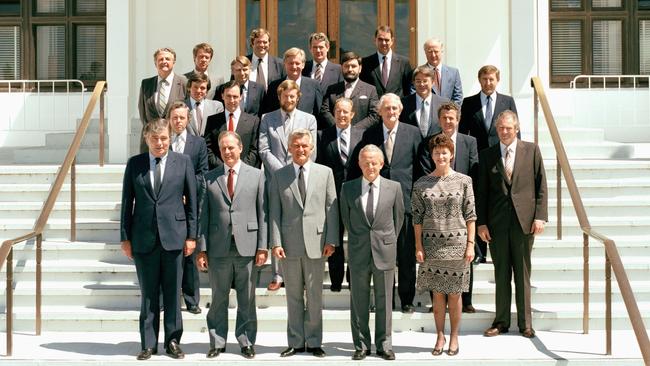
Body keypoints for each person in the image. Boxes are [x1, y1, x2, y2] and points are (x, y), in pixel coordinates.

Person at [120, 118, 197, 360]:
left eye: (164, 138)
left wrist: (192, 236)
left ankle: (173, 341)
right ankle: (148, 344)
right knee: (149, 294)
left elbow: (192, 202)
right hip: (143, 239)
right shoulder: (135, 164)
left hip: (174, 237)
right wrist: (125, 237)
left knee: (173, 293)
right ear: (146, 140)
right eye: (154, 139)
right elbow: (126, 204)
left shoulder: (182, 162)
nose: (160, 143)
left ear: (170, 138)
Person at [269, 129, 339, 358]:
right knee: (293, 295)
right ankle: (296, 341)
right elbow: (274, 213)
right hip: (289, 244)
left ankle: (315, 340)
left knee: (315, 294)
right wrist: (276, 242)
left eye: (304, 146)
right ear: (289, 148)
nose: (300, 149)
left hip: (318, 243)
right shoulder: (279, 176)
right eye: (296, 145)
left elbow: (332, 208)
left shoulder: (325, 173)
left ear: (312, 149)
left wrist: (331, 239)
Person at [197, 131, 267, 359]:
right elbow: (203, 216)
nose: (227, 152)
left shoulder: (256, 176)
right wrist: (202, 249)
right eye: (223, 148)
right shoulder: (210, 178)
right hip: (219, 247)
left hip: (248, 245)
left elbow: (263, 213)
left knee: (247, 297)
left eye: (231, 147)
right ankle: (217, 341)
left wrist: (262, 247)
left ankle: (246, 341)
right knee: (218, 297)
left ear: (240, 148)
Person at [477, 110, 547, 339]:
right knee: (501, 273)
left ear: (516, 128)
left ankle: (526, 323)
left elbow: (541, 186)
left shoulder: (532, 151)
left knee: (523, 273)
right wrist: (482, 223)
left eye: (508, 128)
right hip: (496, 225)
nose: (504, 132)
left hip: (524, 222)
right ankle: (501, 321)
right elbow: (482, 193)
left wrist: (540, 217)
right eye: (500, 128)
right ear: (496, 130)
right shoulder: (487, 155)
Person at [350, 93, 422, 313]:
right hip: (378, 202)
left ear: (400, 111)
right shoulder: (370, 134)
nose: (391, 112)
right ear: (379, 112)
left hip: (406, 201)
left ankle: (407, 299)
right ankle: (386, 299)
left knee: (406, 254)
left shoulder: (413, 133)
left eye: (394, 109)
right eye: (387, 109)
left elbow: (419, 168)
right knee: (383, 255)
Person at [412, 133, 476, 357]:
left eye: (445, 152)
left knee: (455, 294)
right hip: (431, 246)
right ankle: (440, 335)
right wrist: (418, 246)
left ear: (452, 154)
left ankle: (455, 336)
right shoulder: (421, 184)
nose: (441, 155)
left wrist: (470, 244)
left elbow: (471, 216)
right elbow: (416, 219)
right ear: (432, 155)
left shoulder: (464, 181)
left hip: (458, 245)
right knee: (437, 294)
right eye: (437, 152)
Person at [340, 144, 404, 361]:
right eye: (366, 162)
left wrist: (387, 241)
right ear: (359, 164)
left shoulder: (394, 188)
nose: (370, 166)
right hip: (359, 251)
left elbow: (399, 220)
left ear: (381, 164)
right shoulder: (348, 188)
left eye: (374, 162)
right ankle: (361, 345)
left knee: (385, 299)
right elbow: (346, 219)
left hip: (384, 251)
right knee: (358, 300)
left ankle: (384, 344)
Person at [417, 102, 481, 312]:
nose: (447, 121)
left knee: (465, 256)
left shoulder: (469, 141)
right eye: (444, 118)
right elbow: (427, 169)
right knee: (434, 259)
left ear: (458, 119)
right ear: (439, 119)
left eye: (451, 117)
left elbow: (474, 169)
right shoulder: (429, 143)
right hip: (435, 204)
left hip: (460, 204)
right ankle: (436, 301)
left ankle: (467, 300)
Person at [259, 79, 318, 291]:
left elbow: (312, 150)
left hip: (300, 177)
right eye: (285, 96)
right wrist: (282, 172)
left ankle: (300, 273)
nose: (289, 99)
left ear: (298, 97)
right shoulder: (267, 118)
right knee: (277, 221)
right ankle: (277, 274)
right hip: (276, 179)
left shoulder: (309, 119)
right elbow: (264, 150)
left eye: (292, 96)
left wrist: (294, 169)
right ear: (280, 97)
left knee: (298, 221)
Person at [316, 97, 363, 292]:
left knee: (355, 239)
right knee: (333, 236)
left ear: (352, 114)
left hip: (356, 195)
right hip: (331, 195)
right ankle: (336, 282)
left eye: (346, 112)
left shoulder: (363, 135)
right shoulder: (322, 135)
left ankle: (353, 280)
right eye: (338, 111)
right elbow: (319, 164)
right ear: (333, 113)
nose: (342, 115)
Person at [167, 101, 209, 315]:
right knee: (171, 254)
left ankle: (192, 299)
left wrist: (188, 193)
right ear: (169, 120)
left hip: (190, 205)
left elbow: (202, 173)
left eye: (182, 118)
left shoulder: (198, 143)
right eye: (174, 118)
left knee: (190, 254)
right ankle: (171, 299)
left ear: (188, 119)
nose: (178, 121)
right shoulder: (163, 141)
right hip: (168, 206)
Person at [459, 65, 518, 152]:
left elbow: (515, 128)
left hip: (501, 153)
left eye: (491, 79)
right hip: (477, 154)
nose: (488, 83)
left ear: (497, 80)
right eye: (484, 79)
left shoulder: (508, 101)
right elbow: (462, 132)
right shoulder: (469, 103)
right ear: (479, 80)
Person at [137, 47, 187, 152]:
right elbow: (143, 112)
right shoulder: (146, 84)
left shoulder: (184, 83)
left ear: (174, 62)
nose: (164, 61)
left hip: (174, 141)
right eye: (160, 59)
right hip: (151, 140)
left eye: (167, 59)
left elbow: (187, 112)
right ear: (155, 63)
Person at [205, 80, 260, 169]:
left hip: (245, 172)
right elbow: (208, 149)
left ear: (241, 97)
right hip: (219, 173)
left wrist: (240, 168)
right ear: (222, 96)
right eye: (228, 96)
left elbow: (255, 149)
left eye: (235, 96)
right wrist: (223, 168)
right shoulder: (212, 121)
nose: (232, 100)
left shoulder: (253, 121)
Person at [320, 51, 379, 131]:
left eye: (353, 66)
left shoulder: (370, 90)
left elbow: (374, 115)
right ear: (342, 68)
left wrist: (353, 130)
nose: (350, 69)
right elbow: (324, 110)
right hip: (335, 136)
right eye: (346, 66)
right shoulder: (332, 89)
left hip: (360, 138)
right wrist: (338, 125)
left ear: (360, 68)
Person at [262, 47, 322, 117]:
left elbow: (319, 113)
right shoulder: (274, 86)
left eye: (297, 63)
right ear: (284, 64)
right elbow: (269, 112)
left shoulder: (314, 86)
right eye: (291, 63)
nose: (294, 66)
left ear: (303, 65)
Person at [360, 26, 412, 97]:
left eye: (387, 40)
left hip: (396, 106)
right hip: (374, 106)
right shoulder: (365, 62)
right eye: (380, 39)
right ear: (375, 40)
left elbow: (408, 88)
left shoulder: (404, 62)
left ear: (392, 41)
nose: (383, 43)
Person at [400, 66, 448, 138]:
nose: (421, 84)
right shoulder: (403, 103)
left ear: (432, 82)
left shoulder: (443, 103)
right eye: (418, 81)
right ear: (413, 83)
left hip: (435, 147)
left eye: (425, 81)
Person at [420, 38, 463, 105]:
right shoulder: (418, 73)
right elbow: (416, 97)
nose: (433, 55)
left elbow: (458, 97)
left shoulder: (454, 73)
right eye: (430, 52)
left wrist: (449, 113)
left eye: (436, 51)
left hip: (448, 113)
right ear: (425, 52)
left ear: (442, 51)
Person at [184, 73, 224, 137]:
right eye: (195, 87)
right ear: (189, 88)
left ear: (207, 91)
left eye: (202, 88)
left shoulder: (217, 107)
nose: (198, 90)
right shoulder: (180, 106)